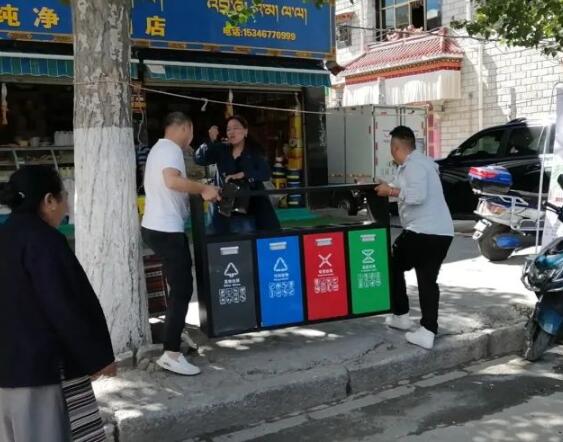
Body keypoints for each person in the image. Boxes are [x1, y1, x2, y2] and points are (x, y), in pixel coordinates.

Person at [0, 166, 116, 442]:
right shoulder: (45, 241)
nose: (66, 205)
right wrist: (97, 359)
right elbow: (65, 306)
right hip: (40, 371)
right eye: (64, 196)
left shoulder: (5, 237)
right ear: (49, 200)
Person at [141, 112, 220, 376]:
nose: (190, 138)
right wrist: (204, 189)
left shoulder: (158, 149)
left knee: (178, 288)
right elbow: (171, 181)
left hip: (156, 227)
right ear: (185, 127)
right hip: (166, 230)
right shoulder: (171, 149)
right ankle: (171, 353)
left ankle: (173, 338)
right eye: (191, 132)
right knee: (182, 289)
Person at [375, 126, 454, 350]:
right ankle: (427, 330)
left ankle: (401, 315)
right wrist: (379, 185)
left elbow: (417, 196)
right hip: (440, 233)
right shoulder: (420, 164)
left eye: (391, 147)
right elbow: (397, 187)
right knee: (427, 279)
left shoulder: (414, 166)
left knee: (392, 263)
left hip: (423, 232)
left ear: (396, 147)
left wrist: (390, 192)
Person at [194, 115, 280, 234]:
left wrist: (244, 174)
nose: (232, 132)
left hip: (249, 207)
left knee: (247, 239)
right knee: (220, 240)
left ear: (245, 131)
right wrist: (210, 141)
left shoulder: (254, 151)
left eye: (236, 128)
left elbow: (265, 173)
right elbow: (199, 159)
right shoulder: (221, 149)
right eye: (228, 129)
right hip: (224, 207)